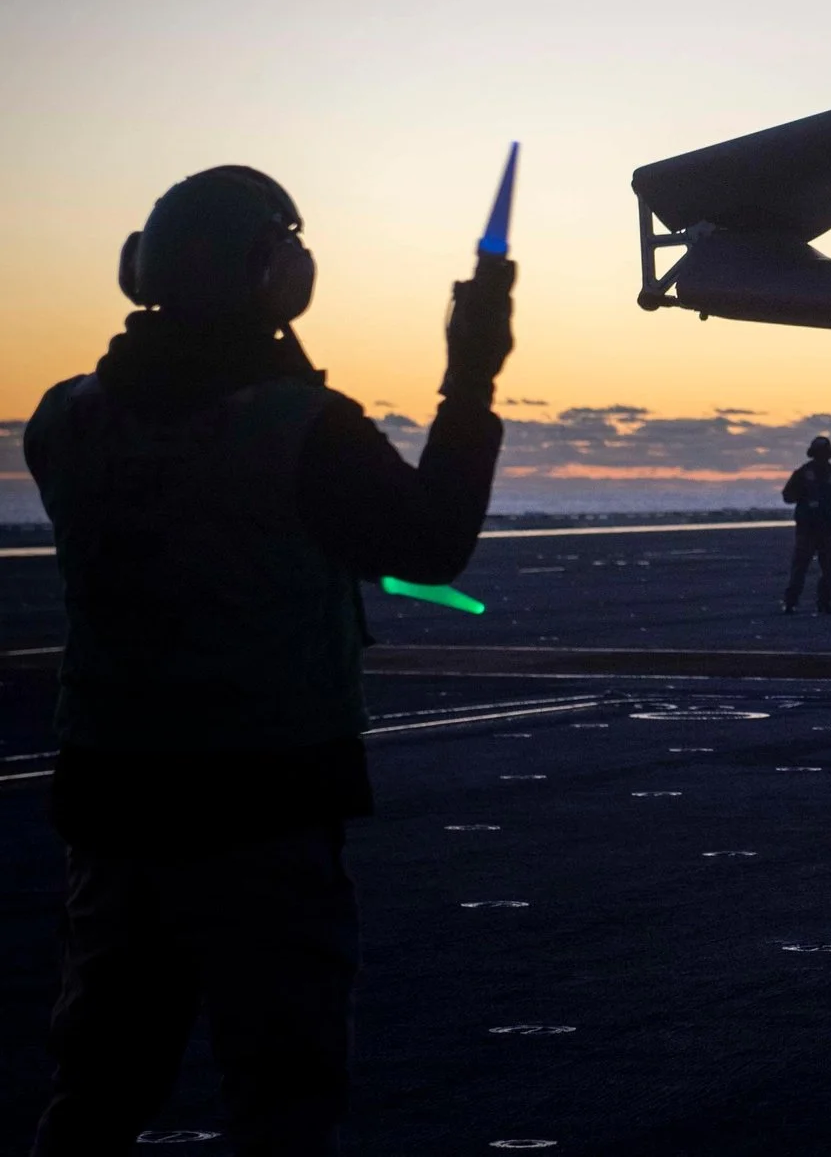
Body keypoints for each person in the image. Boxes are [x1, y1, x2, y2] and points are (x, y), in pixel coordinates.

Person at [23, 165, 512, 1156]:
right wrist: (469, 377)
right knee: (281, 1096)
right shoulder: (299, 429)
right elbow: (429, 545)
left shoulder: (62, 419)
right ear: (274, 273)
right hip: (263, 799)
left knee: (98, 1083)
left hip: (112, 798)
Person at [780, 435, 831, 614]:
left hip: (817, 529)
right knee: (816, 568)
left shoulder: (822, 474)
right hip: (816, 529)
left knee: (809, 568)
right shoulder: (828, 475)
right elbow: (788, 496)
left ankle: (798, 603)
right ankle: (815, 603)